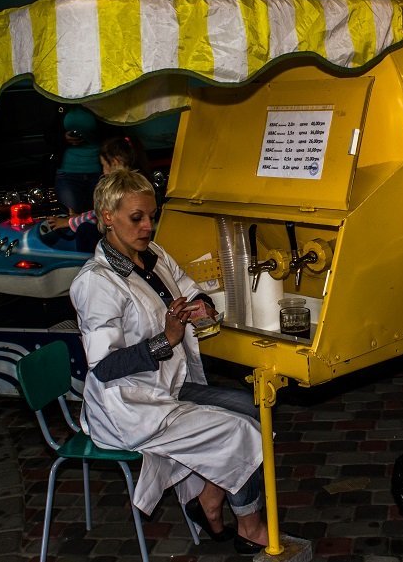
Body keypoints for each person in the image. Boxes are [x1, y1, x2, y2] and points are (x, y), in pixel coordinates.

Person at [70, 169, 269, 553]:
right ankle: (251, 527)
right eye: (137, 218)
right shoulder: (95, 283)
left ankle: (209, 500)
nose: (148, 226)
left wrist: (200, 306)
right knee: (237, 431)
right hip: (128, 405)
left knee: (256, 408)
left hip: (165, 385)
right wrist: (166, 340)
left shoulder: (153, 255)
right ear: (107, 217)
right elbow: (104, 366)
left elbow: (188, 286)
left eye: (152, 215)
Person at [45, 135, 152, 251]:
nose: (103, 171)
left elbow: (100, 215)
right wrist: (79, 217)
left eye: (104, 166)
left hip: (122, 241)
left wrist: (69, 222)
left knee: (85, 229)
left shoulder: (120, 188)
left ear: (115, 162)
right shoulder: (140, 181)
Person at [50, 106, 103, 214]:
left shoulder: (100, 101)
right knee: (69, 222)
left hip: (97, 171)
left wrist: (89, 135)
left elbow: (113, 133)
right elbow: (49, 135)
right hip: (68, 173)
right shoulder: (62, 103)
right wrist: (64, 138)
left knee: (100, 219)